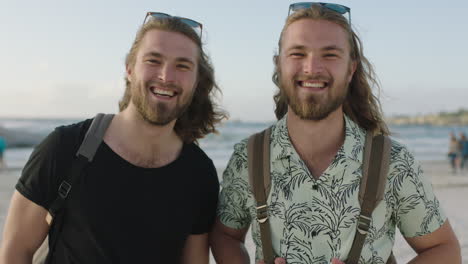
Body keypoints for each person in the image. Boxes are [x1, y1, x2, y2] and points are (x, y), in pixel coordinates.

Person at [210, 3, 461, 264]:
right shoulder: (248, 157)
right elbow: (225, 235)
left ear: (351, 68)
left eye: (329, 54)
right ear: (279, 63)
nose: (312, 68)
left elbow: (444, 249)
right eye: (298, 53)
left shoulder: (393, 162)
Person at [0, 12, 226, 263]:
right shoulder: (65, 148)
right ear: (129, 69)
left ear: (196, 81)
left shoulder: (199, 173)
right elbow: (15, 250)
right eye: (154, 60)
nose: (167, 76)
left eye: (182, 65)